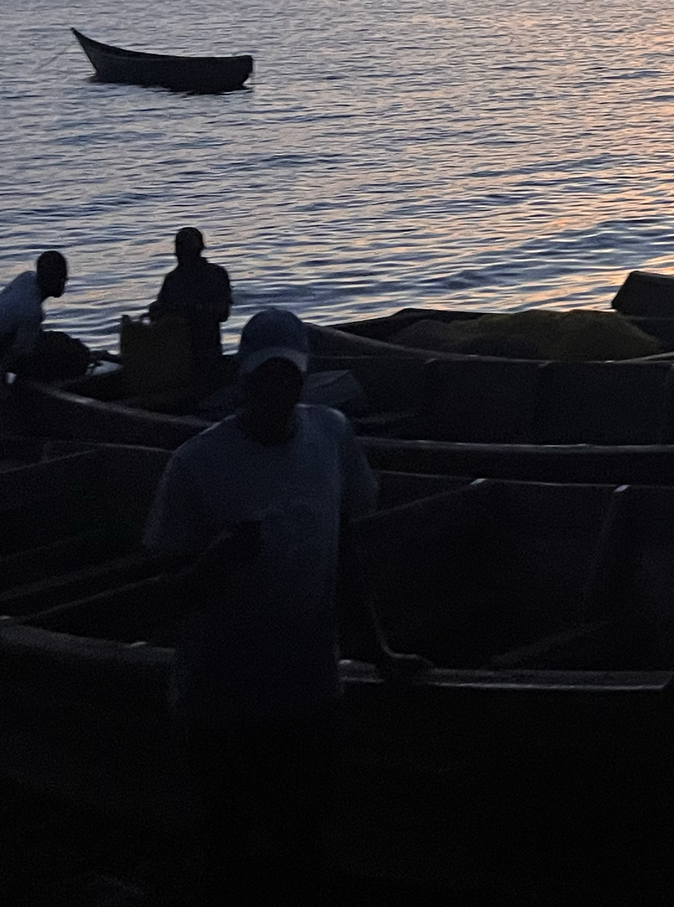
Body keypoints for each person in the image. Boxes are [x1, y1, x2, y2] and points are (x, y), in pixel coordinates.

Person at [142, 308, 424, 902]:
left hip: (311, 688)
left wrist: (378, 651)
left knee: (305, 843)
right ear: (241, 381)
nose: (277, 391)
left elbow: (344, 550)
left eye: (289, 379)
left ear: (304, 381)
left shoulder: (330, 435)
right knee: (231, 847)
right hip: (221, 699)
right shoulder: (194, 465)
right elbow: (160, 596)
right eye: (263, 379)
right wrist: (214, 564)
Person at [0, 249, 69, 436]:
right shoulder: (31, 311)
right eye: (62, 278)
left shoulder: (26, 279)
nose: (65, 283)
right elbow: (22, 356)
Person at [149, 227, 234, 380]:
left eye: (184, 248)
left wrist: (185, 310)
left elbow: (222, 313)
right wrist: (156, 310)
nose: (180, 253)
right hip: (176, 355)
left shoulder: (215, 275)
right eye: (179, 248)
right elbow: (160, 313)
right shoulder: (172, 279)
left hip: (206, 354)